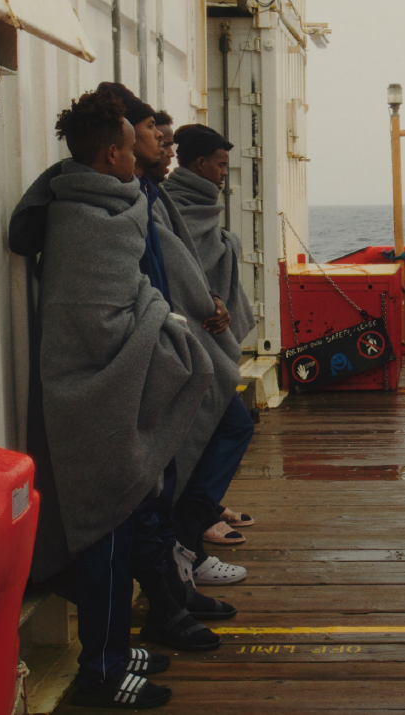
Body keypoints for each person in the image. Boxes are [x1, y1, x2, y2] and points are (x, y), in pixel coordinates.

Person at [8, 88, 210, 709]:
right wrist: (159, 313)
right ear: (110, 155)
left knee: (118, 538)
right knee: (104, 539)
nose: (135, 157)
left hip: (105, 394)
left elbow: (127, 297)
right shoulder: (84, 220)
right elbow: (97, 322)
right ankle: (101, 671)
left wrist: (150, 308)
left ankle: (115, 647)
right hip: (91, 400)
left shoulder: (102, 204)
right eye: (128, 146)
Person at [97, 83, 252, 592]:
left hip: (176, 333)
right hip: (164, 341)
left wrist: (210, 300)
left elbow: (177, 264)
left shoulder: (153, 194)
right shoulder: (129, 199)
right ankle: (183, 549)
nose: (166, 148)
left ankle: (180, 560)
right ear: (118, 144)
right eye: (154, 137)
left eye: (167, 140)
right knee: (213, 434)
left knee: (208, 437)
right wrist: (203, 305)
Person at [163, 124, 261, 559]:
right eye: (220, 165)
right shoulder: (173, 205)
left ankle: (201, 510)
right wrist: (209, 298)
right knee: (232, 425)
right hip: (189, 338)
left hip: (204, 332)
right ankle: (193, 521)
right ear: (200, 164)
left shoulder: (195, 203)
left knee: (222, 426)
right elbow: (178, 272)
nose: (224, 173)